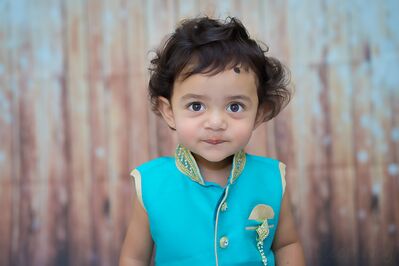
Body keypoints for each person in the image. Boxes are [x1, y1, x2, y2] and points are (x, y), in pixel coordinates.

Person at [120, 16, 305, 266]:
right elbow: (134, 258)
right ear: (169, 111)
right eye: (196, 105)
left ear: (259, 113)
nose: (216, 122)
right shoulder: (152, 184)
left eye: (235, 106)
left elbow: (286, 245)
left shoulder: (271, 178)